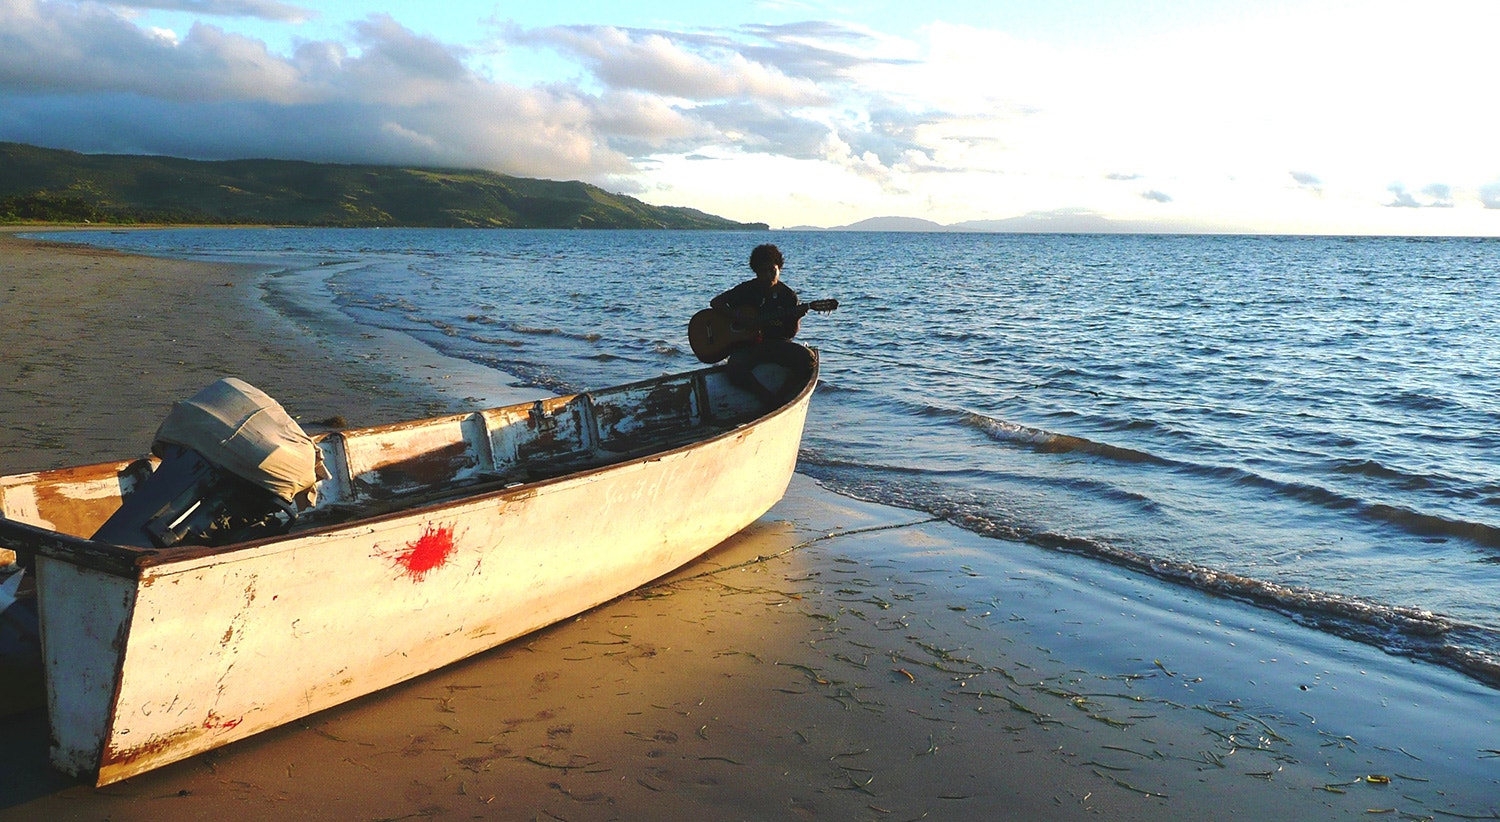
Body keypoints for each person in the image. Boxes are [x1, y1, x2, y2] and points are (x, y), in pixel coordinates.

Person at [708, 243, 816, 406]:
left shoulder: (788, 296)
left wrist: (796, 318)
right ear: (756, 272)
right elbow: (716, 302)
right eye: (762, 272)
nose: (768, 276)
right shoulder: (747, 289)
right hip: (750, 346)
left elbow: (790, 333)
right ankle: (765, 397)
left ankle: (781, 397)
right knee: (735, 366)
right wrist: (738, 317)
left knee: (808, 361)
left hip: (777, 344)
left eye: (772, 270)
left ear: (779, 268)